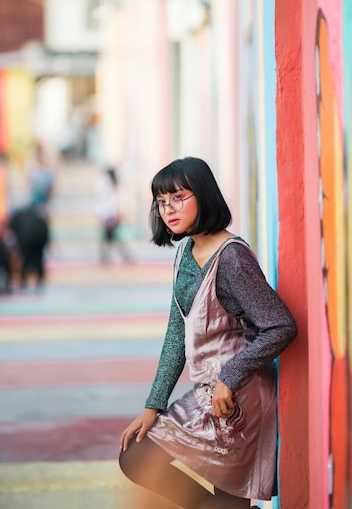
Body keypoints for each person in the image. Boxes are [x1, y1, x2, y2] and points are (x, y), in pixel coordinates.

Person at [119, 157, 297, 508]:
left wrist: (230, 377)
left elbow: (280, 325)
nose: (168, 209)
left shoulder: (232, 259)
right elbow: (176, 332)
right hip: (208, 391)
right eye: (161, 202)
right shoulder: (186, 251)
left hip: (239, 396)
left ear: (203, 195)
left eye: (178, 197)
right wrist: (154, 405)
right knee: (138, 455)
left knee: (221, 492)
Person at [9, 203, 50, 291]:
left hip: (25, 239)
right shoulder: (38, 217)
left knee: (24, 259)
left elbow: (12, 235)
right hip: (39, 237)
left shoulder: (17, 218)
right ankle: (39, 281)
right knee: (38, 259)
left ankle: (23, 281)